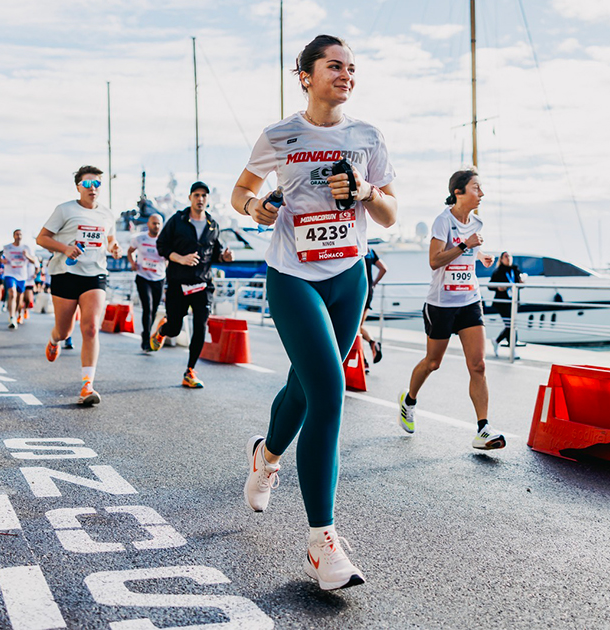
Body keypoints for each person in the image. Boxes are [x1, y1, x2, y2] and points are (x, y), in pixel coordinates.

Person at [230, 34, 398, 591]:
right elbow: (242, 192)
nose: (346, 75)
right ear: (304, 75)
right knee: (329, 391)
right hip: (294, 275)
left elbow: (392, 213)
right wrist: (258, 206)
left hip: (348, 277)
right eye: (334, 66)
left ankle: (267, 454)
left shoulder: (367, 136)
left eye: (351, 68)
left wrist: (366, 192)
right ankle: (322, 542)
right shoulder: (281, 135)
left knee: (304, 389)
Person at [397, 169, 508, 451]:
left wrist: (481, 256)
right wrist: (464, 244)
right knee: (433, 363)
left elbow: (469, 251)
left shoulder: (477, 222)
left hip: (470, 299)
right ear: (459, 192)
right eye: (476, 188)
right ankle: (409, 400)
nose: (481, 194)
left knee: (478, 365)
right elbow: (435, 261)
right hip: (441, 304)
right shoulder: (443, 221)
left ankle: (483, 429)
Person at [36, 165, 121, 406]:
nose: (92, 188)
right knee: (64, 331)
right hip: (66, 273)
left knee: (91, 328)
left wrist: (114, 248)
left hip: (95, 275)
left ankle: (87, 385)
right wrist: (65, 248)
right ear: (78, 187)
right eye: (87, 184)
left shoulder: (107, 214)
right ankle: (54, 340)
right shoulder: (65, 210)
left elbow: (111, 240)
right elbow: (41, 238)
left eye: (97, 184)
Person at [149, 182, 233, 388]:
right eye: (197, 195)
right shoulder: (177, 221)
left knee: (200, 327)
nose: (200, 199)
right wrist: (179, 258)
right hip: (178, 282)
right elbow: (162, 245)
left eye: (204, 195)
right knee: (175, 328)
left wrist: (225, 257)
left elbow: (216, 253)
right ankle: (163, 330)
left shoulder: (213, 225)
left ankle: (190, 371)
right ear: (190, 198)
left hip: (203, 285)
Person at [128, 214, 167, 352]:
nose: (156, 226)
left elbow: (169, 257)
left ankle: (148, 334)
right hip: (143, 277)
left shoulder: (165, 240)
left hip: (158, 278)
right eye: (153, 223)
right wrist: (133, 263)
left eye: (158, 224)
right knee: (148, 307)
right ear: (149, 224)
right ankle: (145, 339)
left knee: (154, 309)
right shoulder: (140, 238)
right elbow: (130, 251)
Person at [2, 229, 39, 329]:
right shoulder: (7, 247)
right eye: (17, 234)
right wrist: (3, 260)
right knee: (12, 293)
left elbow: (33, 261)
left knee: (19, 298)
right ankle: (12, 316)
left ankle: (19, 313)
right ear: (13, 236)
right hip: (10, 274)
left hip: (22, 276)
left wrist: (26, 255)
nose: (18, 236)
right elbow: (1, 258)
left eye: (20, 234)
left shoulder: (26, 247)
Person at [489, 251, 523, 358]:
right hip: (502, 302)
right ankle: (512, 350)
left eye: (509, 256)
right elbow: (490, 286)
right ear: (501, 259)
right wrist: (498, 287)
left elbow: (517, 284)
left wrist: (521, 283)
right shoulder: (498, 271)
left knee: (511, 324)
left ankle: (496, 341)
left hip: (513, 301)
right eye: (506, 256)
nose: (508, 258)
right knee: (511, 325)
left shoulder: (515, 270)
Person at [357, 247, 386, 368]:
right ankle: (372, 345)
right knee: (359, 326)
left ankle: (364, 360)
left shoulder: (354, 248)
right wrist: (373, 283)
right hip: (368, 291)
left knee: (356, 328)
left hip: (357, 291)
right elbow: (383, 269)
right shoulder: (370, 250)